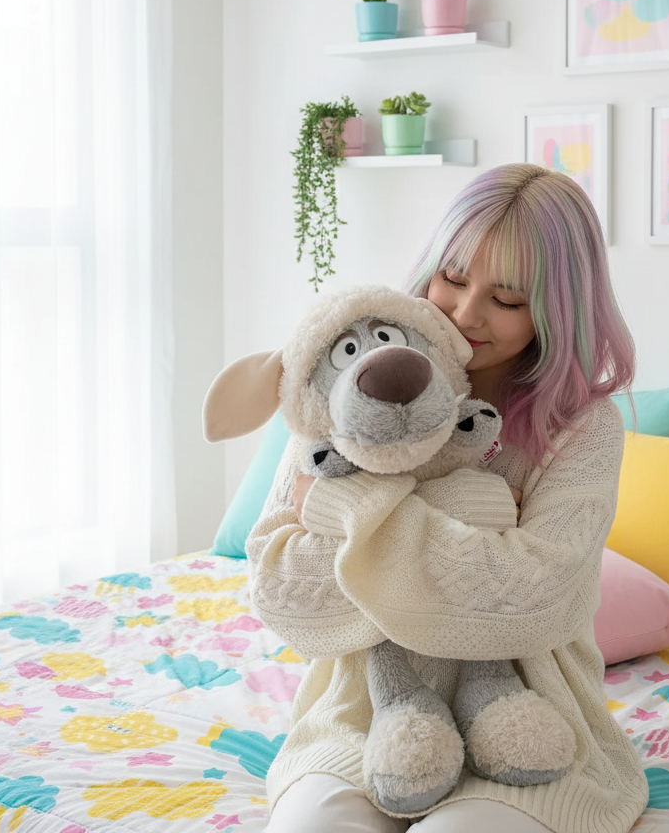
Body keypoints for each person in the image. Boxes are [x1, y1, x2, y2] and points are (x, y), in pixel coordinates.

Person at [246, 163, 648, 833]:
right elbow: (279, 583)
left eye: (508, 300)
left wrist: (346, 507)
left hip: (530, 722)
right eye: (453, 278)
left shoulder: (582, 427)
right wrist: (472, 527)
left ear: (558, 308)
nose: (465, 313)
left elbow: (532, 597)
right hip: (359, 714)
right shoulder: (349, 387)